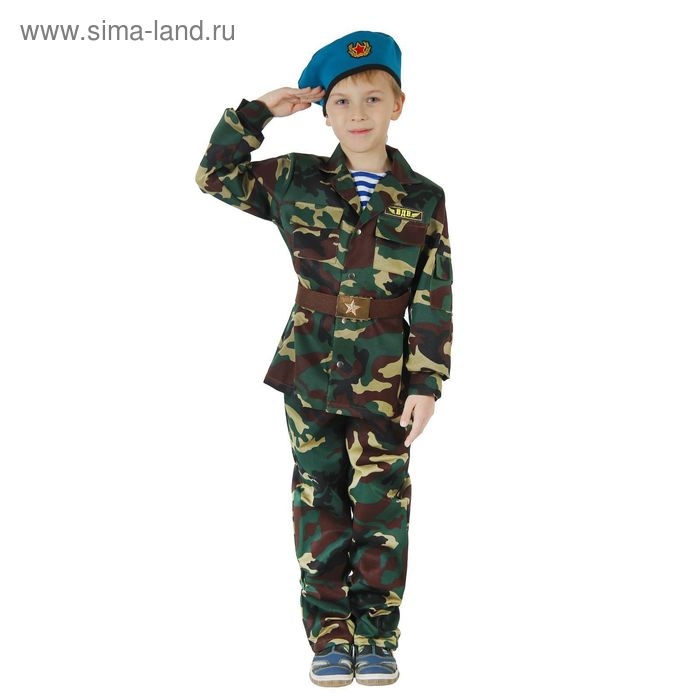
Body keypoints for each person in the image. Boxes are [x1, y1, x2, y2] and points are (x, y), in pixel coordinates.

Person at [195, 29, 452, 687]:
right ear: (324, 112)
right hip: (309, 367)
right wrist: (259, 112)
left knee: (382, 506)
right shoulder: (295, 178)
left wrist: (426, 382)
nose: (358, 114)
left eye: (373, 98)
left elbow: (434, 294)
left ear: (399, 104)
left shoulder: (424, 197)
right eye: (341, 101)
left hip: (389, 379)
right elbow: (213, 175)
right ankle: (331, 636)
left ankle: (378, 635)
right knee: (319, 500)